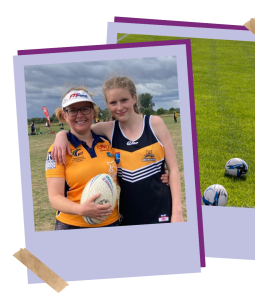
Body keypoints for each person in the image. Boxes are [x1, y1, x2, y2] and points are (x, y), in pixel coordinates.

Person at [52, 77, 183, 225]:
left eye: (124, 100)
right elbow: (79, 130)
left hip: (161, 208)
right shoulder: (108, 129)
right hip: (128, 213)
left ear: (134, 98)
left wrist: (177, 212)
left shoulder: (154, 123)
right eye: (113, 103)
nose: (119, 107)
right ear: (108, 105)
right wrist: (61, 135)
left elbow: (174, 170)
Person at [46, 87, 119, 230]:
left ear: (93, 112)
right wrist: (82, 210)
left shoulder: (108, 143)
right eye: (72, 110)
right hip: (73, 225)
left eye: (85, 109)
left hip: (111, 222)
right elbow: (54, 198)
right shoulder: (57, 150)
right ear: (65, 116)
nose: (79, 115)